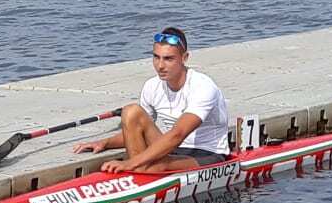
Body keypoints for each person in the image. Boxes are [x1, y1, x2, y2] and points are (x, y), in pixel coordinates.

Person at [73, 27, 230, 172]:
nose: (160, 65)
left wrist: (130, 163)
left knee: (152, 166)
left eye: (168, 59)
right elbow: (136, 129)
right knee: (131, 111)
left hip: (208, 154)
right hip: (173, 150)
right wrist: (105, 143)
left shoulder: (202, 86)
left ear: (184, 58)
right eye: (156, 57)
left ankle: (139, 169)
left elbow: (178, 134)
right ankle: (139, 170)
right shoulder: (151, 86)